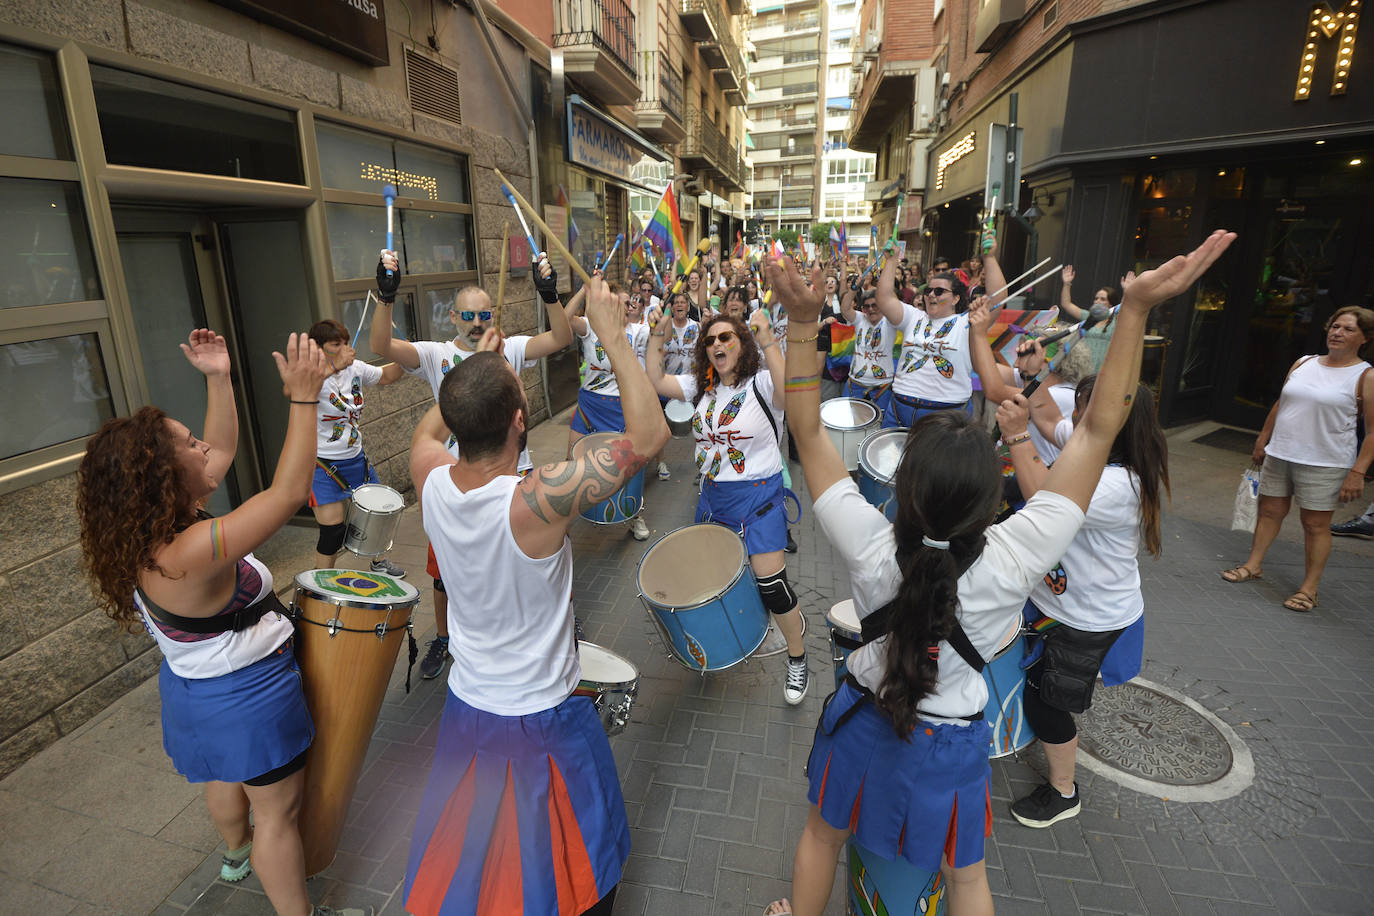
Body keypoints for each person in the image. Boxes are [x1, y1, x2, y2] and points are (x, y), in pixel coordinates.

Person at [761, 231, 1234, 916]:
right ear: (991, 501)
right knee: (967, 879)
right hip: (952, 746)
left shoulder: (867, 542)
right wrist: (1133, 311)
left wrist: (802, 323)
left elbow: (807, 431)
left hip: (861, 723)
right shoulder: (1016, 553)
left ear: (903, 486)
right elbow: (1100, 432)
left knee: (821, 837)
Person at [76, 330, 372, 916]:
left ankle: (234, 853)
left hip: (197, 693)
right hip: (246, 700)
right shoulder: (188, 552)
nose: (204, 448)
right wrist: (305, 399)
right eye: (190, 443)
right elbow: (289, 493)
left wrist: (219, 376)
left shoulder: (149, 533)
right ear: (162, 473)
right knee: (279, 818)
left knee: (225, 777)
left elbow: (222, 449)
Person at [402, 279, 668, 916]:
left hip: (469, 708)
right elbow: (650, 437)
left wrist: (470, 373)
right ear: (521, 420)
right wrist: (611, 334)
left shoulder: (430, 478)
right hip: (542, 718)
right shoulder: (533, 503)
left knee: (478, 870)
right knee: (574, 873)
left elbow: (423, 436)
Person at [370, 250, 573, 678]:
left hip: (514, 477)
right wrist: (386, 298)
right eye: (468, 314)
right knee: (443, 573)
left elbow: (561, 339)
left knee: (534, 561)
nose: (477, 322)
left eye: (484, 313)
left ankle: (548, 625)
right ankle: (443, 638)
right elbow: (381, 346)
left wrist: (549, 294)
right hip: (457, 479)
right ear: (453, 318)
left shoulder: (511, 348)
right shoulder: (436, 354)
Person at [1001, 371, 1169, 828]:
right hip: (1061, 602)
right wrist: (1030, 374)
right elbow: (1050, 415)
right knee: (1035, 678)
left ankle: (1063, 791)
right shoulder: (1090, 443)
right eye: (1080, 403)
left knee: (1047, 701)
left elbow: (1045, 503)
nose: (1077, 416)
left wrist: (1016, 434)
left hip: (1086, 616)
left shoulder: (1119, 483)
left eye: (1088, 407)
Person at [644, 306, 811, 703]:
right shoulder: (700, 387)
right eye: (710, 340)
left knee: (771, 585)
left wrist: (768, 336)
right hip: (713, 498)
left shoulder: (764, 384)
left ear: (742, 343)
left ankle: (798, 655)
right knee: (716, 577)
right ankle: (726, 641)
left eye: (725, 337)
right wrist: (656, 336)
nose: (716, 344)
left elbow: (792, 393)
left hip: (759, 499)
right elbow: (653, 377)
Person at [1222, 306, 1374, 612]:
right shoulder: (1304, 362)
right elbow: (1283, 402)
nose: (1337, 332)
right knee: (1269, 512)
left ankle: (1309, 589)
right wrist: (1263, 439)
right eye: (1334, 326)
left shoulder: (1365, 376)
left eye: (1347, 329)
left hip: (1327, 461)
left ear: (1364, 338)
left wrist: (1358, 471)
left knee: (1316, 525)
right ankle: (1254, 565)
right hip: (1282, 452)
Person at [305, 320, 406, 575]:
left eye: (346, 343)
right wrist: (334, 366)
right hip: (321, 464)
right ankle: (321, 583)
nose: (345, 349)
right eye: (335, 345)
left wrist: (407, 355)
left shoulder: (356, 369)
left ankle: (379, 562)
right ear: (318, 349)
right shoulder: (310, 374)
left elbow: (388, 375)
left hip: (355, 458)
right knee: (333, 531)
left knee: (380, 513)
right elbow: (297, 389)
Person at [565, 280, 654, 539]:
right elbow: (565, 318)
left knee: (628, 466)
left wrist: (663, 319)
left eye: (630, 303)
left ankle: (635, 514)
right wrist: (583, 290)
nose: (628, 307)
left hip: (621, 408)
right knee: (573, 460)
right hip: (589, 404)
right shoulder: (590, 329)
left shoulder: (637, 332)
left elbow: (662, 336)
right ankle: (566, 517)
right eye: (622, 302)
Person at [878, 256, 976, 427]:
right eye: (928, 291)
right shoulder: (913, 316)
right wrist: (892, 260)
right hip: (900, 409)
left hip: (947, 417)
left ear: (956, 298)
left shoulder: (967, 322)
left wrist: (989, 258)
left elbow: (999, 298)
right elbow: (884, 299)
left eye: (939, 291)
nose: (931, 294)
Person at [838, 260, 898, 416]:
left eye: (875, 305)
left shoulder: (891, 321)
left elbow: (896, 303)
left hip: (882, 387)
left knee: (879, 428)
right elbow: (844, 309)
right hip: (855, 385)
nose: (871, 309)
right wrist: (854, 288)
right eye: (867, 306)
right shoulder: (859, 318)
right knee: (850, 423)